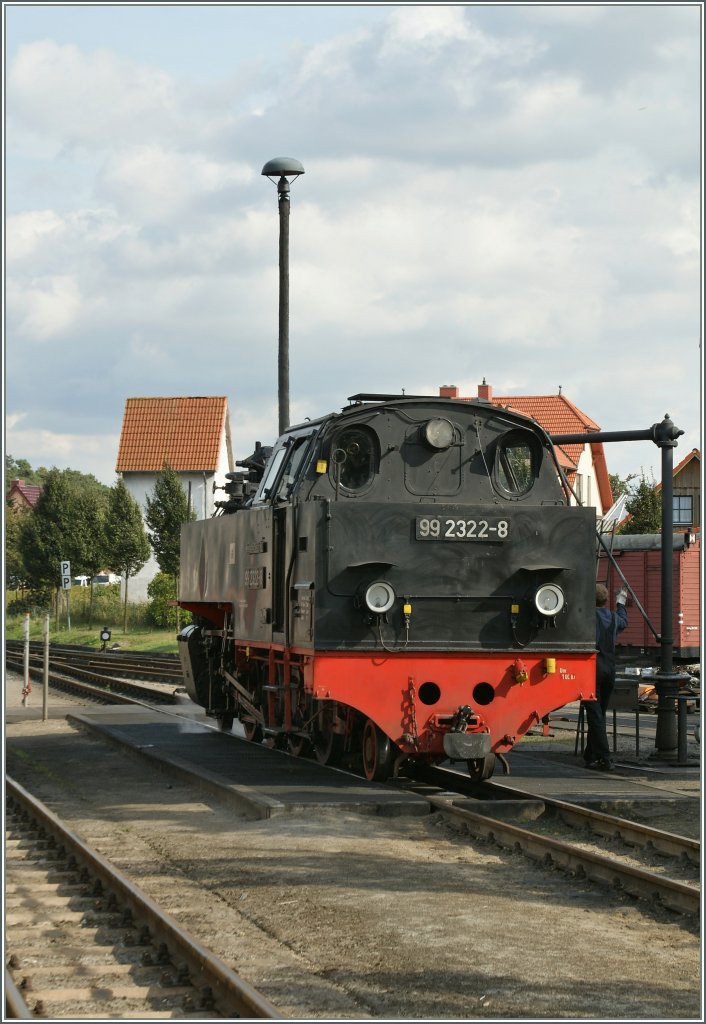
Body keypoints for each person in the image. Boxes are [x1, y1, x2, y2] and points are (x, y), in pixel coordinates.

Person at [583, 583, 628, 771]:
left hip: (592, 670)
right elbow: (624, 620)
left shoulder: (586, 618)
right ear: (605, 600)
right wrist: (621, 602)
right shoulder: (613, 618)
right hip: (610, 669)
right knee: (599, 714)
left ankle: (605, 758)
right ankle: (590, 754)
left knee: (595, 716)